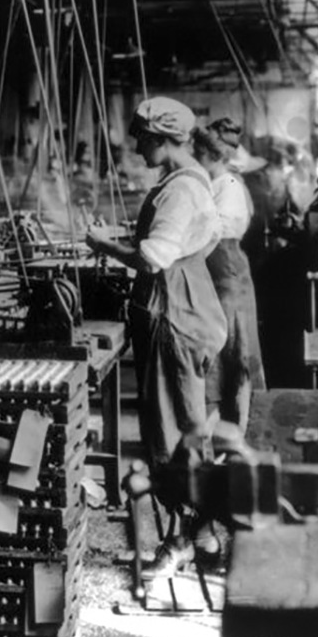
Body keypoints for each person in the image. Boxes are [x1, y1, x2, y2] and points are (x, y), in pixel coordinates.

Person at [85, 97, 227, 577]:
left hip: (173, 313)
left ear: (163, 139)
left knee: (171, 434)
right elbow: (196, 244)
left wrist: (105, 244)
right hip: (191, 304)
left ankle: (178, 540)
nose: (138, 147)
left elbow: (153, 257)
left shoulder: (178, 191)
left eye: (142, 138)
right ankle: (204, 535)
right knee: (190, 427)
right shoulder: (192, 182)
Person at [193, 119, 266, 427]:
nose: (195, 160)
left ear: (212, 156)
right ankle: (222, 421)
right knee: (220, 347)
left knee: (235, 348)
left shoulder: (230, 187)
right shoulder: (216, 184)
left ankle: (240, 425)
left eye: (199, 155)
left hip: (228, 274)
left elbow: (215, 233)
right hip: (218, 272)